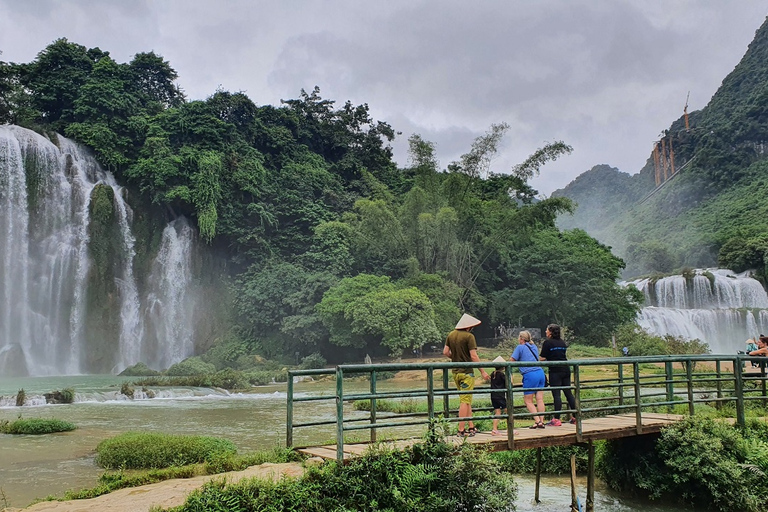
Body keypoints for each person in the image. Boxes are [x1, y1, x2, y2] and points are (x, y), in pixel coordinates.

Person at [444, 313, 490, 437]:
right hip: (467, 373)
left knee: (466, 400)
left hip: (455, 373)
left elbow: (445, 352)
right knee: (465, 401)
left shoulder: (451, 335)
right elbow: (474, 356)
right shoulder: (469, 336)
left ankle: (471, 426)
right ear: (469, 326)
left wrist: (455, 357)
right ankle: (461, 429)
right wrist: (482, 371)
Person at [540, 324, 577, 426]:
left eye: (547, 330)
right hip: (565, 369)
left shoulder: (547, 343)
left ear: (550, 332)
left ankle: (556, 419)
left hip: (555, 370)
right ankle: (575, 417)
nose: (546, 332)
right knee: (568, 393)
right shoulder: (562, 342)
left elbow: (542, 358)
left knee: (556, 394)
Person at [510, 330, 547, 429]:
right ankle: (542, 421)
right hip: (540, 373)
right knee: (539, 399)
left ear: (521, 338)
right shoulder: (533, 346)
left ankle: (537, 421)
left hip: (530, 375)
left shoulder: (520, 347)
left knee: (528, 400)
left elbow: (512, 360)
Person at [490, 356, 509, 435]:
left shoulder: (492, 374)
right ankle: (510, 429)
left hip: (493, 396)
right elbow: (508, 383)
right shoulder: (501, 374)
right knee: (508, 411)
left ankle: (494, 429)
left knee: (497, 412)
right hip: (500, 396)